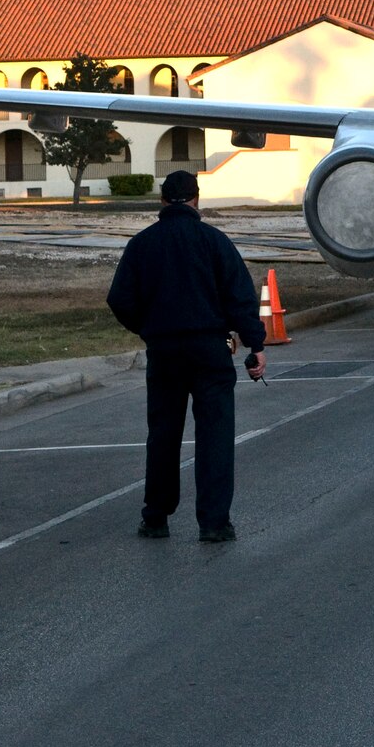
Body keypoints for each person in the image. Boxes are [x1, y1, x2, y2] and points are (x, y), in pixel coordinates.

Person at [107, 170, 264, 542]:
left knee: (163, 434)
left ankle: (156, 516)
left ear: (162, 200)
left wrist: (147, 329)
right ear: (196, 199)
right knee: (215, 435)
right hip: (210, 350)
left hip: (164, 351)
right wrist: (255, 345)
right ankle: (213, 522)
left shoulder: (142, 244)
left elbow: (120, 299)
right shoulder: (214, 241)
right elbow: (241, 298)